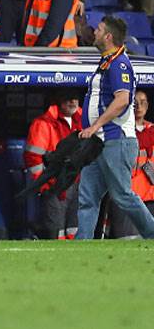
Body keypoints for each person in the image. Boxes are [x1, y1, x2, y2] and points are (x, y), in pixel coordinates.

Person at [76, 15, 154, 240]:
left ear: (108, 37)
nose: (95, 32)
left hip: (116, 140)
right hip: (100, 141)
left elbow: (122, 100)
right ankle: (81, 244)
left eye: (99, 30)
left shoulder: (120, 63)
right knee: (88, 196)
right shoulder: (106, 62)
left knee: (122, 195)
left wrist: (95, 125)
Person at [24, 90, 83, 239]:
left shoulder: (85, 120)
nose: (73, 102)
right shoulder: (43, 124)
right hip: (55, 185)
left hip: (79, 184)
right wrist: (44, 182)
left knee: (75, 232)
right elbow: (33, 156)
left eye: (75, 98)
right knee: (56, 233)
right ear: (58, 100)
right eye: (68, 98)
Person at [108, 90, 154, 238]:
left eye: (143, 102)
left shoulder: (152, 130)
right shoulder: (118, 131)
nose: (139, 106)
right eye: (134, 103)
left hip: (151, 197)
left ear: (148, 105)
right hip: (127, 196)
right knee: (126, 241)